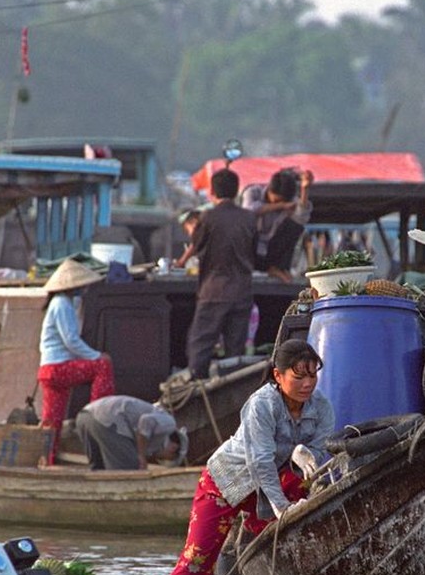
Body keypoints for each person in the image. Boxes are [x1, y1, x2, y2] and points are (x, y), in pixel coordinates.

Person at [144, 339, 335, 575]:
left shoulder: (322, 408)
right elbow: (260, 461)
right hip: (227, 483)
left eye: (312, 375)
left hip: (273, 484)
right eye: (298, 376)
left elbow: (319, 455)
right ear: (278, 375)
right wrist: (282, 508)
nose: (307, 384)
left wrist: (304, 459)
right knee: (197, 561)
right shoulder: (262, 405)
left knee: (290, 540)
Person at [38, 258, 114, 464]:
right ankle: (98, 413)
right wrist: (97, 355)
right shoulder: (62, 304)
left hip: (48, 371)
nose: (84, 289)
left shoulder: (65, 303)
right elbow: (71, 340)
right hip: (58, 368)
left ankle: (47, 459)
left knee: (52, 421)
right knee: (102, 366)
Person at [184, 169, 257, 380]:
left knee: (201, 345)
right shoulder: (249, 218)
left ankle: (197, 393)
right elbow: (257, 253)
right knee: (236, 352)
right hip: (242, 291)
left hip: (213, 291)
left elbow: (197, 246)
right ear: (236, 192)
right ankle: (231, 393)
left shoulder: (208, 217)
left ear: (212, 191)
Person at [75, 395, 188, 470]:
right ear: (173, 448)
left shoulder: (153, 437)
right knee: (131, 468)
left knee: (99, 469)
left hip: (85, 416)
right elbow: (145, 422)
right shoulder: (169, 423)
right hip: (106, 420)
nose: (159, 458)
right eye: (166, 458)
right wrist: (141, 456)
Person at [241, 167, 314, 283]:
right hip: (250, 247)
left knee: (296, 226)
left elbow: (302, 217)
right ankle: (268, 268)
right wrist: (280, 206)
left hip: (273, 248)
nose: (278, 202)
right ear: (269, 190)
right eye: (276, 200)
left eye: (282, 201)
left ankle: (278, 268)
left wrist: (305, 190)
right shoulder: (253, 192)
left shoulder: (291, 201)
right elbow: (248, 211)